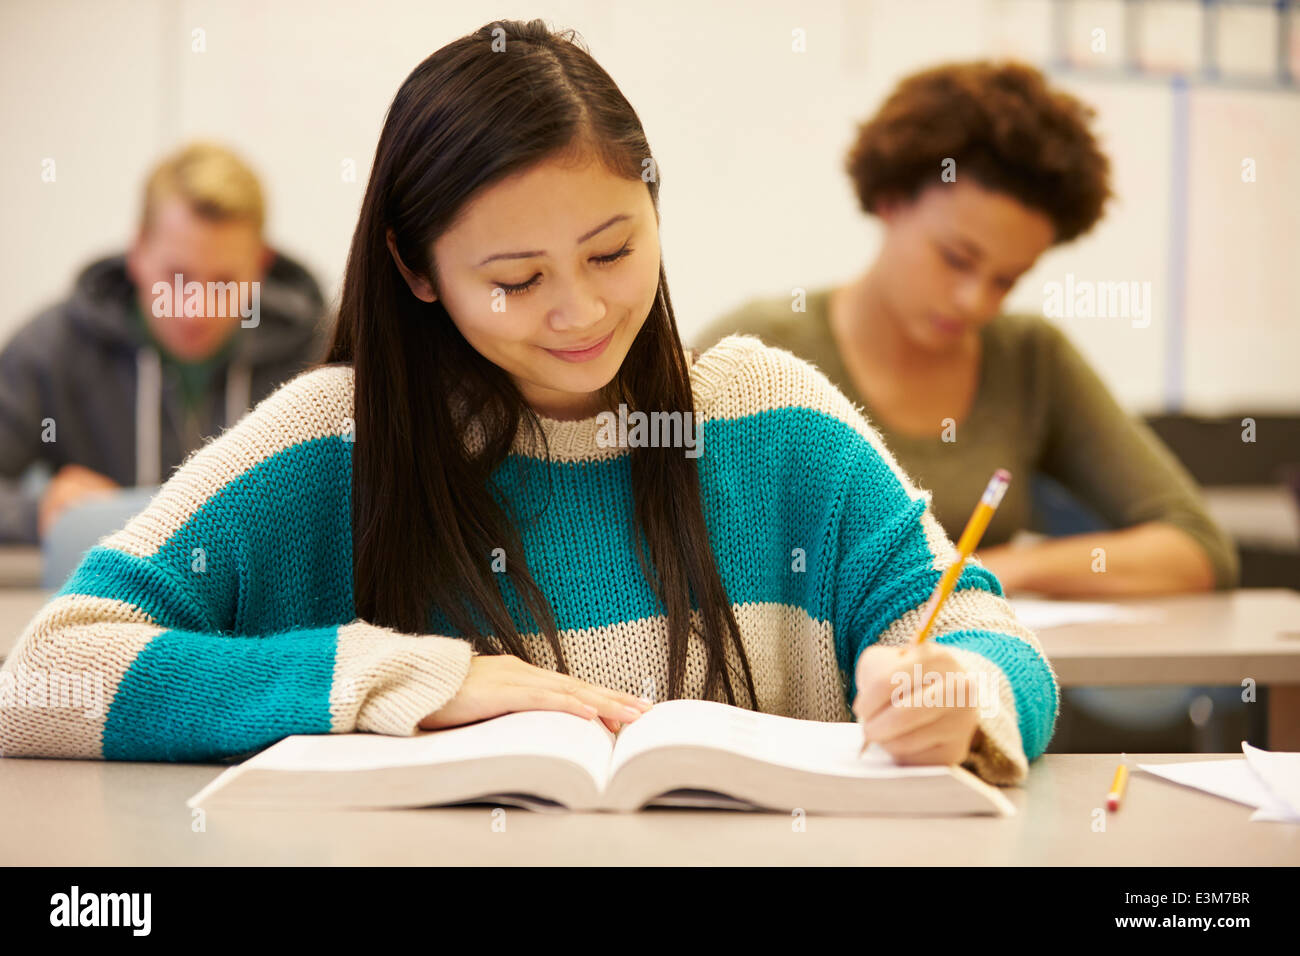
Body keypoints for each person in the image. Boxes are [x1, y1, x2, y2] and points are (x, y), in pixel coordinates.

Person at [0, 21, 1057, 787]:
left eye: (614, 248)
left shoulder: (773, 419)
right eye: (516, 278)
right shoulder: (330, 438)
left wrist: (965, 688)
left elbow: (987, 631)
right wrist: (402, 677)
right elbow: (44, 677)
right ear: (416, 269)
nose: (582, 310)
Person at [696, 61, 1238, 597]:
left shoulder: (1031, 359)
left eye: (1007, 280)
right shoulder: (757, 350)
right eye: (956, 258)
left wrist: (990, 569)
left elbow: (1195, 549)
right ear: (890, 201)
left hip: (981, 676)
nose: (974, 301)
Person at [0, 141, 329, 545]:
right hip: (109, 598)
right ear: (137, 252)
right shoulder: (51, 349)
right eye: (178, 277)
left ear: (260, 267)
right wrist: (40, 510)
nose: (197, 309)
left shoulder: (323, 355)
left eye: (224, 283)